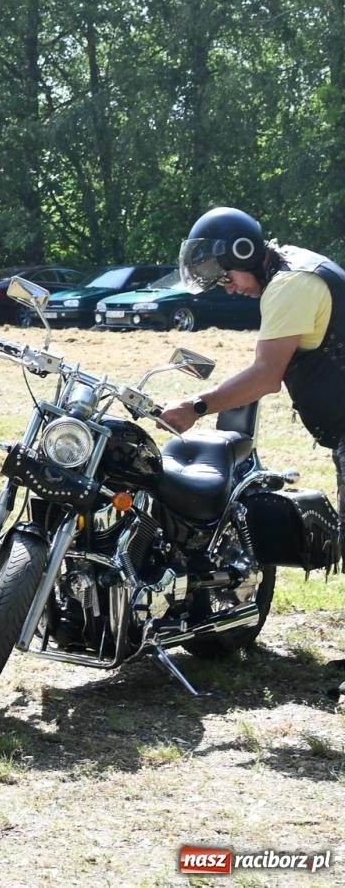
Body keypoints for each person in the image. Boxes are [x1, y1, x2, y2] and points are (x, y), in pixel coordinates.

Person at [161, 207, 345, 692]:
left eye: (227, 279)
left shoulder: (290, 286)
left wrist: (197, 405)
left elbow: (266, 376)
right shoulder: (294, 268)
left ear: (243, 253)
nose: (230, 288)